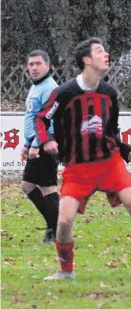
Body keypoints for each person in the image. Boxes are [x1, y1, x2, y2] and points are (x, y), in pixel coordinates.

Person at [34, 37, 131, 281]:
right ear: (86, 60)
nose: (106, 54)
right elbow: (41, 118)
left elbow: (111, 131)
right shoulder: (64, 93)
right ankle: (66, 271)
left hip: (110, 163)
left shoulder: (110, 93)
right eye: (100, 51)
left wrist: (127, 151)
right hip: (77, 168)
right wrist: (47, 141)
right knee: (64, 222)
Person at [21, 50, 59, 243]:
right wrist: (27, 143)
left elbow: (48, 120)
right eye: (31, 64)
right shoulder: (36, 87)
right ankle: (54, 226)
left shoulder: (50, 88)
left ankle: (56, 231)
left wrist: (37, 144)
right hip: (35, 145)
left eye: (38, 63)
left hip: (45, 145)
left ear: (48, 65)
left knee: (48, 188)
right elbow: (32, 117)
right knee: (27, 185)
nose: (34, 68)